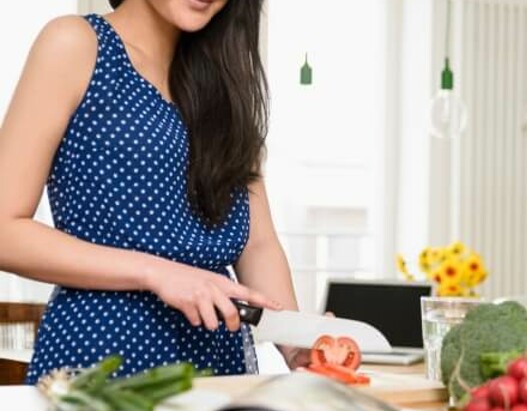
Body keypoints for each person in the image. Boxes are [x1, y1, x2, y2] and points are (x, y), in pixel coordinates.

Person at [0, 0, 307, 384]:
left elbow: (257, 244)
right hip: (103, 359)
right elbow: (4, 230)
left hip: (218, 366)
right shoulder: (76, 44)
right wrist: (156, 273)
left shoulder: (225, 85)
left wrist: (298, 341)